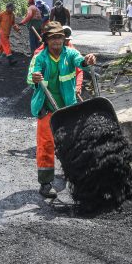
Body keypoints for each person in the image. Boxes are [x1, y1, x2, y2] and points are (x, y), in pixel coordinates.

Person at [27, 21, 97, 198]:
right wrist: (35, 77)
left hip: (67, 107)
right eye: (53, 38)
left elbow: (81, 62)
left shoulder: (70, 54)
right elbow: (30, 76)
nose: (57, 41)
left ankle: (77, 176)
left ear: (64, 39)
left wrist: (87, 61)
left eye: (60, 38)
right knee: (46, 144)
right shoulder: (40, 57)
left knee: (73, 142)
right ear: (47, 41)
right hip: (47, 107)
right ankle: (45, 182)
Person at [33, 25, 83, 95]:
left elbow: (79, 70)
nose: (64, 43)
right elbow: (37, 56)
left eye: (67, 41)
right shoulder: (44, 49)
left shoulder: (71, 50)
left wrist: (78, 86)